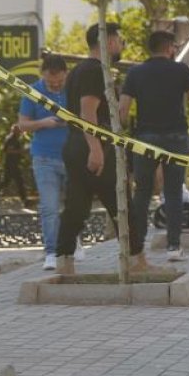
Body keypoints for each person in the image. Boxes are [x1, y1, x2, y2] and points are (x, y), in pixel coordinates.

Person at [118, 30, 189, 266]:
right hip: (175, 138)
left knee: (141, 192)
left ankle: (137, 245)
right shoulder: (181, 70)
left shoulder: (135, 73)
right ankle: (174, 246)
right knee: (173, 192)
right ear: (170, 47)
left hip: (144, 139)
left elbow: (123, 107)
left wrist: (118, 130)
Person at [54, 22, 125, 275]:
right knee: (122, 201)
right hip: (92, 146)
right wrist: (95, 149)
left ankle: (63, 260)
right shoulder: (95, 71)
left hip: (77, 144)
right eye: (119, 39)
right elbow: (87, 111)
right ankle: (134, 259)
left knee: (77, 205)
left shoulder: (78, 71)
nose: (122, 44)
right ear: (107, 41)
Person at [17, 54, 86, 270]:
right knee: (49, 206)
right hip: (44, 158)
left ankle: (73, 241)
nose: (55, 85)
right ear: (42, 76)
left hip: (73, 155)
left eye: (59, 81)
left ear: (66, 74)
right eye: (50, 82)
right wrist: (44, 123)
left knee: (74, 206)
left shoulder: (74, 88)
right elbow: (23, 125)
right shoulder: (32, 92)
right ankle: (51, 252)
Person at [0, 128, 30, 207]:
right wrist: (20, 151)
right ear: (14, 131)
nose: (20, 132)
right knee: (19, 182)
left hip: (14, 164)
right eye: (18, 131)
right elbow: (8, 151)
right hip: (11, 164)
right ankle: (25, 200)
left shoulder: (16, 140)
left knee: (7, 181)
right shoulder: (11, 140)